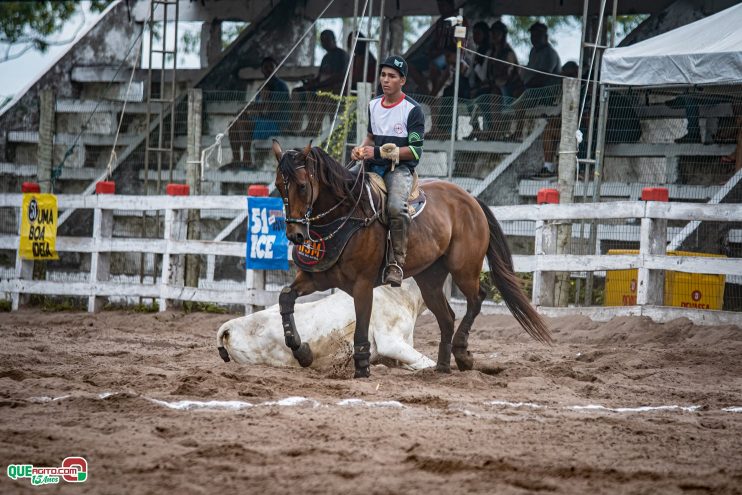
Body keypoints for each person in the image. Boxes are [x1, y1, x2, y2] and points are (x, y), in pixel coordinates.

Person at [351, 55, 425, 287]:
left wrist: (379, 153)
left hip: (399, 169)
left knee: (395, 206)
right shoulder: (374, 105)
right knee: (343, 186)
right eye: (383, 75)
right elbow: (371, 136)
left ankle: (396, 261)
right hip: (372, 165)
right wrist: (361, 149)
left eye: (392, 76)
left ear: (402, 80)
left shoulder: (413, 110)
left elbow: (414, 152)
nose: (386, 80)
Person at [228, 57, 289, 168]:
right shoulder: (261, 87)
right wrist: (247, 111)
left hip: (275, 124)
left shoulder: (281, 86)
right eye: (265, 67)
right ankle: (236, 160)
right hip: (261, 121)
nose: (268, 69)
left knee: (242, 123)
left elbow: (272, 111)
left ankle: (247, 159)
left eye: (271, 66)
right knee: (232, 125)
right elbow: (257, 107)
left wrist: (257, 110)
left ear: (276, 68)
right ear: (262, 70)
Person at [298, 30, 349, 94]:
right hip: (321, 86)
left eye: (327, 40)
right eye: (322, 40)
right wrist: (311, 82)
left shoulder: (342, 55)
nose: (324, 43)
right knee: (298, 91)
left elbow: (341, 76)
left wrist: (320, 84)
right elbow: (320, 76)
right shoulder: (325, 57)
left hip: (334, 88)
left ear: (333, 39)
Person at [521, 22, 561, 91]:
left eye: (538, 35)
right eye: (532, 35)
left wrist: (525, 86)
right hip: (532, 89)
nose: (534, 38)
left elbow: (543, 76)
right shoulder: (533, 51)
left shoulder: (549, 52)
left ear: (545, 37)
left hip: (546, 92)